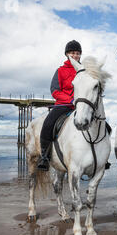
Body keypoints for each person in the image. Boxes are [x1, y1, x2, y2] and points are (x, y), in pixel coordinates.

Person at [37, 40, 81, 171]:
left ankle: (102, 157)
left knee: (101, 122)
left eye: (78, 53)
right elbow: (55, 91)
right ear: (67, 54)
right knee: (48, 124)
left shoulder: (84, 70)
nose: (75, 55)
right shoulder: (60, 71)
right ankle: (44, 157)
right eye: (72, 53)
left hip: (81, 104)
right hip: (64, 105)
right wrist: (70, 99)